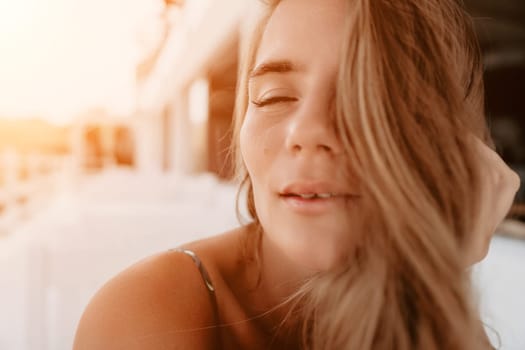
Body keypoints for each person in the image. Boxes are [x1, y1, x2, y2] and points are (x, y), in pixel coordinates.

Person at [73, 0, 521, 349]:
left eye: (362, 96)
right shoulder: (146, 314)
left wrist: (432, 276)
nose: (306, 131)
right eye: (272, 97)